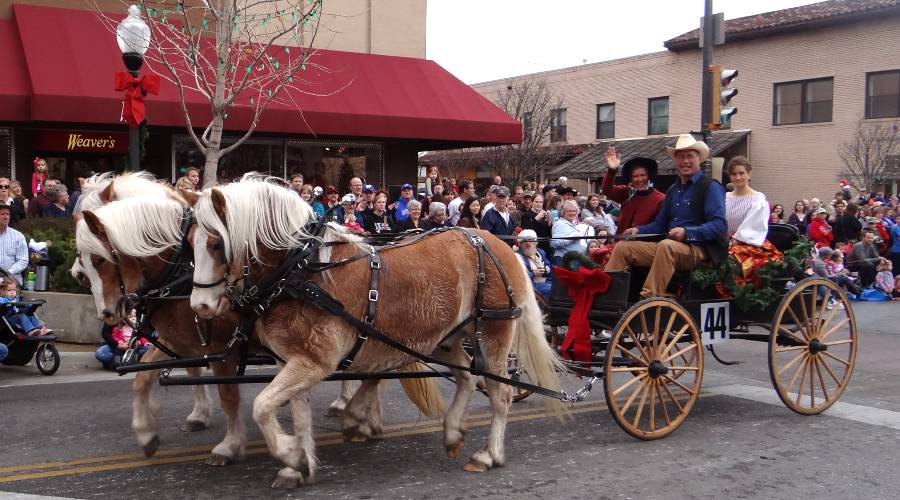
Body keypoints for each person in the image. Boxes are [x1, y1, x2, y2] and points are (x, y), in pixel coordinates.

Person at [605, 134, 727, 299]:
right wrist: (638, 230)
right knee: (623, 247)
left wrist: (687, 232)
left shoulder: (710, 187)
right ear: (675, 161)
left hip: (699, 250)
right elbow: (659, 224)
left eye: (690, 156)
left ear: (699, 158)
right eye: (681, 157)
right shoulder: (673, 190)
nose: (685, 161)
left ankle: (648, 297)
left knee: (666, 246)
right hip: (671, 248)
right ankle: (608, 295)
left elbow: (720, 226)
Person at [724, 157, 782, 286]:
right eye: (734, 174)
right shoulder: (724, 198)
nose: (738, 177)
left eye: (741, 173)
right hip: (724, 241)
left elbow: (753, 227)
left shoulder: (758, 200)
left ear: (749, 174)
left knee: (732, 258)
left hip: (750, 244)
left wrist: (734, 241)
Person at [601, 147, 665, 234]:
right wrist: (612, 170)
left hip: (643, 244)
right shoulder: (626, 193)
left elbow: (659, 226)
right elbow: (607, 190)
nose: (640, 179)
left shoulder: (660, 199)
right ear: (631, 179)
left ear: (649, 176)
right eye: (635, 176)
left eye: (643, 175)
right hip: (619, 243)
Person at [551, 200, 594, 264]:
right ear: (563, 212)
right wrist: (572, 238)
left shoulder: (572, 224)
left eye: (574, 211)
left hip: (574, 260)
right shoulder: (560, 223)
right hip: (565, 260)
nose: (573, 213)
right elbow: (555, 243)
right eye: (570, 211)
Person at [515, 230, 552, 301]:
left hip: (547, 281)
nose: (529, 244)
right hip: (531, 286)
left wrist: (546, 270)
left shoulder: (540, 252)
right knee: (550, 289)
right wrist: (533, 273)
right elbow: (519, 277)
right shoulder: (518, 256)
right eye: (525, 241)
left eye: (531, 241)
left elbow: (549, 266)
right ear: (520, 244)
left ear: (536, 243)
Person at [520, 194, 553, 260]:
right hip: (533, 247)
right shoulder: (526, 215)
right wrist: (536, 219)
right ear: (532, 202)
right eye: (536, 202)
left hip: (545, 246)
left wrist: (549, 223)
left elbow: (549, 234)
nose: (539, 204)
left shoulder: (544, 215)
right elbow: (527, 232)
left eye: (541, 202)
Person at [0, 205, 28, 285]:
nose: (6, 217)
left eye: (8, 214)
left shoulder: (18, 236)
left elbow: (23, 260)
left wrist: (8, 273)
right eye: (2, 214)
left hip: (11, 279)